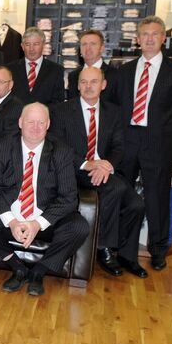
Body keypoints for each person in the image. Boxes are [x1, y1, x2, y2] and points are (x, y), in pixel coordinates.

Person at [0, 103, 89, 296]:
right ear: (20, 123)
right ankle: (17, 268)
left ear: (48, 124)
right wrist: (13, 221)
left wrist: (36, 224)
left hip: (45, 219)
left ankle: (39, 272)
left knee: (79, 227)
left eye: (41, 122)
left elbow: (68, 198)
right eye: (30, 122)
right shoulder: (3, 146)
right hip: (12, 215)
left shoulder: (62, 151)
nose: (35, 127)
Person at [113, 16, 172, 270]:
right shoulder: (123, 71)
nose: (149, 38)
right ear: (137, 40)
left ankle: (158, 249)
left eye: (154, 34)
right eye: (144, 34)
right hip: (127, 141)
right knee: (122, 196)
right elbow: (115, 106)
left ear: (163, 38)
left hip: (158, 142)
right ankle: (120, 248)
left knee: (157, 197)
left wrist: (162, 129)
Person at [50, 67, 146, 278]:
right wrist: (87, 164)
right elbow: (59, 147)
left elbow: (119, 146)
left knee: (137, 205)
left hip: (104, 169)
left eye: (94, 82)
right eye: (83, 82)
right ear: (77, 86)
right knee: (116, 187)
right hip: (75, 171)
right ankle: (104, 248)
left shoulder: (114, 112)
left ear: (103, 85)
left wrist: (106, 165)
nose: (88, 86)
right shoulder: (61, 111)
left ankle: (127, 255)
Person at [8, 27, 65, 106]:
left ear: (43, 45)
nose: (31, 49)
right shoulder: (10, 69)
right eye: (27, 44)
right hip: (16, 117)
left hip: (44, 117)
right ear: (22, 46)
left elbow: (58, 102)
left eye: (36, 44)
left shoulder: (56, 70)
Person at [66, 29, 118, 102]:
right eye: (84, 44)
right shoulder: (73, 76)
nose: (88, 48)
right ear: (80, 49)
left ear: (102, 48)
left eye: (93, 44)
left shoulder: (116, 75)